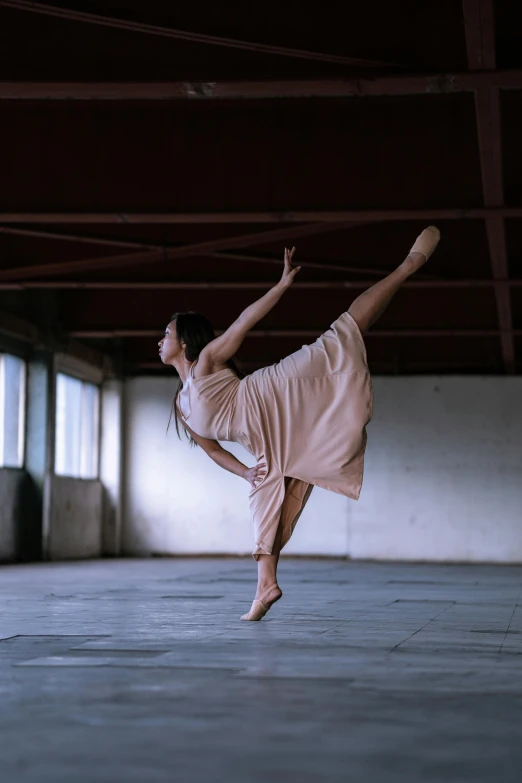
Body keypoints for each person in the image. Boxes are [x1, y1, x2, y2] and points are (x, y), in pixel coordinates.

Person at [159, 226, 440, 621]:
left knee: (342, 334)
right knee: (263, 503)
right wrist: (245, 473)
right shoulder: (182, 406)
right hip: (265, 441)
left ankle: (407, 266)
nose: (160, 340)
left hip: (276, 393)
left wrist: (281, 285)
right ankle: (265, 586)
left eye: (166, 333)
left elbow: (242, 323)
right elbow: (213, 451)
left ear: (184, 343)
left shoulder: (206, 362)